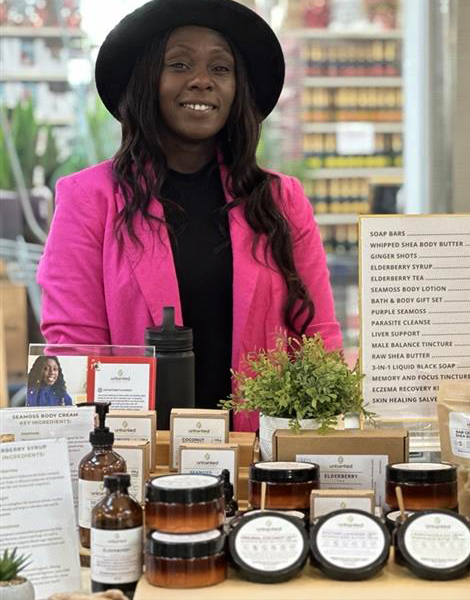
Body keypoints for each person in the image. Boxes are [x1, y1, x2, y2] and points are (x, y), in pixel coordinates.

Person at [37, 0, 342, 431]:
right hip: (136, 461)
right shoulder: (88, 198)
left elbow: (318, 340)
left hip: (259, 463)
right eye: (178, 64)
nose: (201, 81)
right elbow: (74, 350)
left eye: (221, 69)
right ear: (147, 79)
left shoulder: (280, 200)